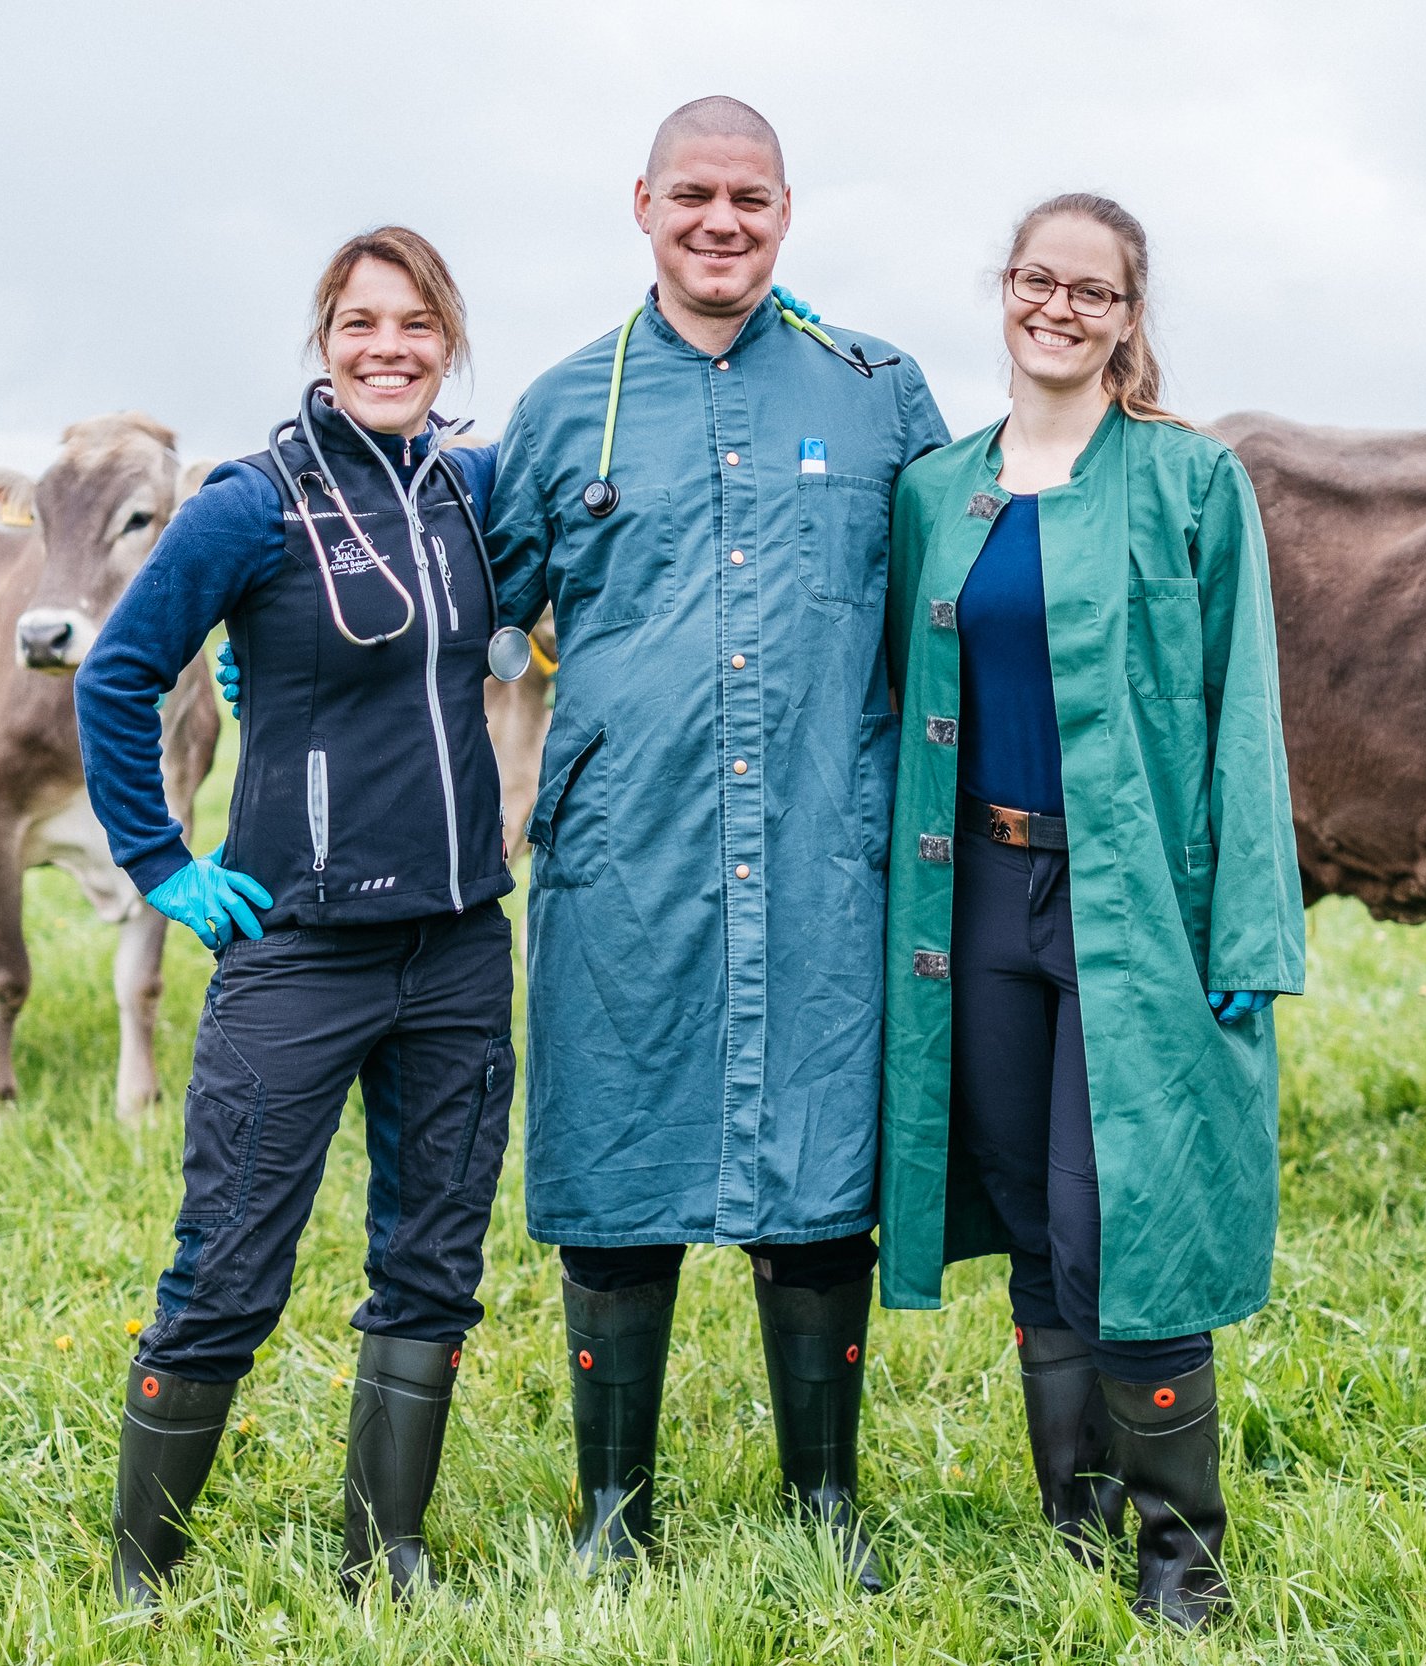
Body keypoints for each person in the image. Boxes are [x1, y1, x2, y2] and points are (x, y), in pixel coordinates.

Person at [485, 96, 947, 1588]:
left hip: (825, 851)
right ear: (643, 204)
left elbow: (961, 602)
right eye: (695, 194)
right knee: (617, 1170)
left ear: (788, 211)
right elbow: (471, 623)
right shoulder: (568, 408)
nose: (722, 221)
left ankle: (829, 1504)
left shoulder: (877, 392)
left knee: (817, 1183)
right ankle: (614, 1512)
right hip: (632, 861)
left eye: (751, 196)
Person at [876, 193, 1305, 1629]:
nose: (1057, 307)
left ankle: (1184, 1556)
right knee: (1030, 1216)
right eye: (1035, 280)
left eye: (1092, 291)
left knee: (1124, 1215)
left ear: (1129, 318)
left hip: (1135, 902)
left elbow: (1244, 713)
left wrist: (1249, 928)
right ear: (1004, 291)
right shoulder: (936, 491)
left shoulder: (1192, 484)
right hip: (977, 897)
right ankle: (1080, 1518)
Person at [73, 227, 519, 1603]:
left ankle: (385, 1548)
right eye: (360, 323)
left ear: (449, 342)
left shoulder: (476, 491)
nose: (389, 348)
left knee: (435, 1257)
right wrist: (161, 863)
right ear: (324, 341)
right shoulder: (248, 503)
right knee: (232, 1257)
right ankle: (143, 1564)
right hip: (299, 947)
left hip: (456, 946)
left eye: (416, 324)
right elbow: (119, 674)